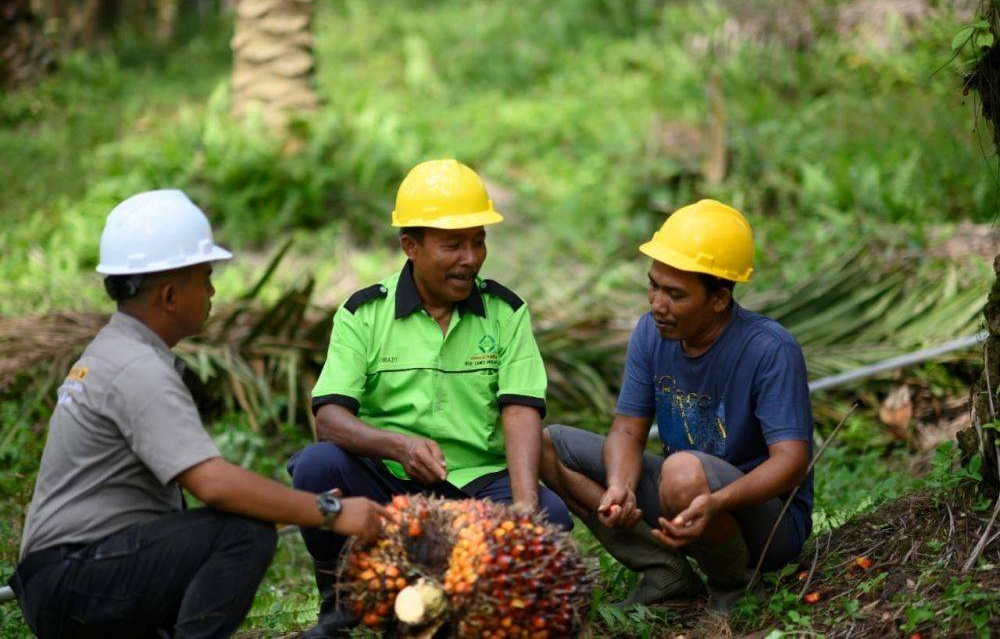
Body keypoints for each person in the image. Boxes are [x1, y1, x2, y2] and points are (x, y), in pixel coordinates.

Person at [9, 189, 388, 639]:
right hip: (75, 582)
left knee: (224, 523)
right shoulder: (137, 368)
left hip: (73, 575)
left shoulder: (117, 351)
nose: (212, 291)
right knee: (243, 531)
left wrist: (298, 506)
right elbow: (215, 485)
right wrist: (329, 510)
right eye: (205, 277)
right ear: (170, 295)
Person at [287, 159, 572, 636]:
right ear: (411, 247)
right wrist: (399, 446)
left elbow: (521, 408)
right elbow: (330, 419)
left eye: (478, 241)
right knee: (317, 468)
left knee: (554, 518)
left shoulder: (506, 312)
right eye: (453, 245)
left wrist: (524, 509)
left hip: (475, 487)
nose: (471, 258)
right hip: (387, 484)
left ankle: (450, 598)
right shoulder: (363, 314)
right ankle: (341, 596)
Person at [540, 199, 813, 614]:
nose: (656, 303)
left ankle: (734, 587)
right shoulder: (651, 333)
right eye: (653, 285)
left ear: (719, 299)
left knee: (683, 470)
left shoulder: (769, 350)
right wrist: (620, 484)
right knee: (546, 445)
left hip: (768, 525)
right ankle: (664, 570)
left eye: (675, 294)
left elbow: (792, 462)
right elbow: (628, 431)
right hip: (682, 493)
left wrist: (718, 502)